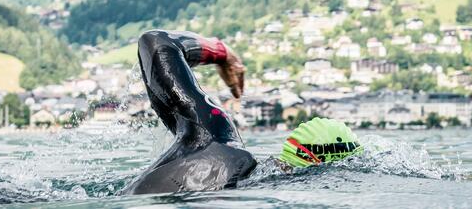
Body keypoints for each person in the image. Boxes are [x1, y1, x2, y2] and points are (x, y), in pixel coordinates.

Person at [124, 29, 362, 195]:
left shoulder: (216, 145)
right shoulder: (247, 180)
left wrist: (223, 53)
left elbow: (156, 42)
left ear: (291, 147)